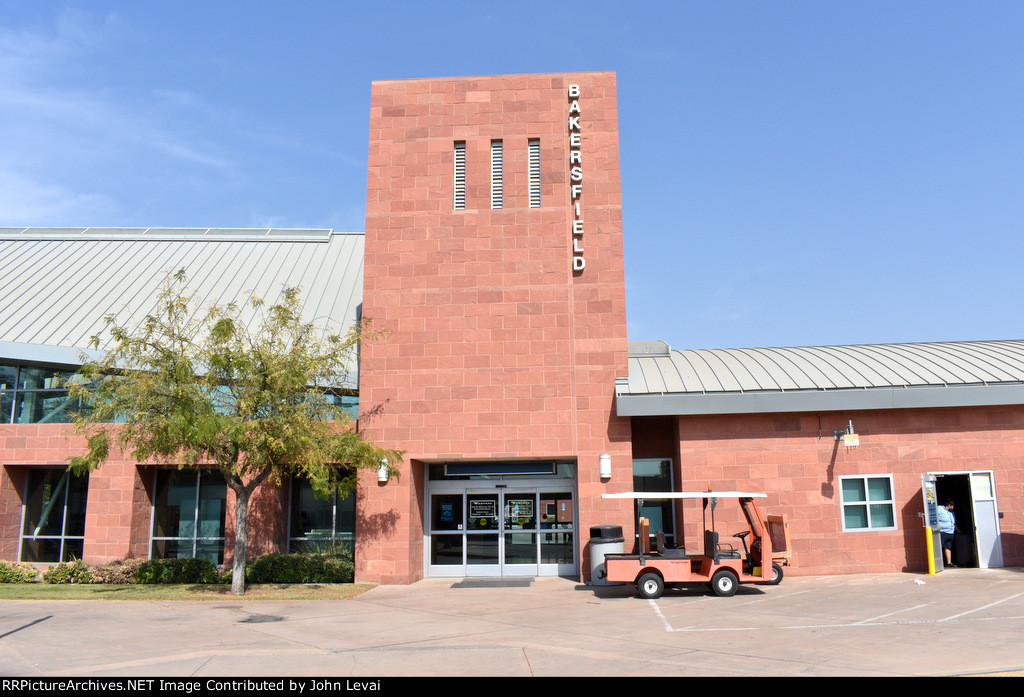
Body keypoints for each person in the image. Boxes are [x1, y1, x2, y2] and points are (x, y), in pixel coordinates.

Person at [936, 500, 958, 567]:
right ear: (949, 505)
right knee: (940, 547)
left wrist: (957, 530)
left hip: (950, 532)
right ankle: (937, 563)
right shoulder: (939, 508)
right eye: (952, 506)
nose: (953, 508)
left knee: (948, 547)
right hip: (943, 532)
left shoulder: (950, 513)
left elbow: (953, 523)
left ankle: (949, 562)